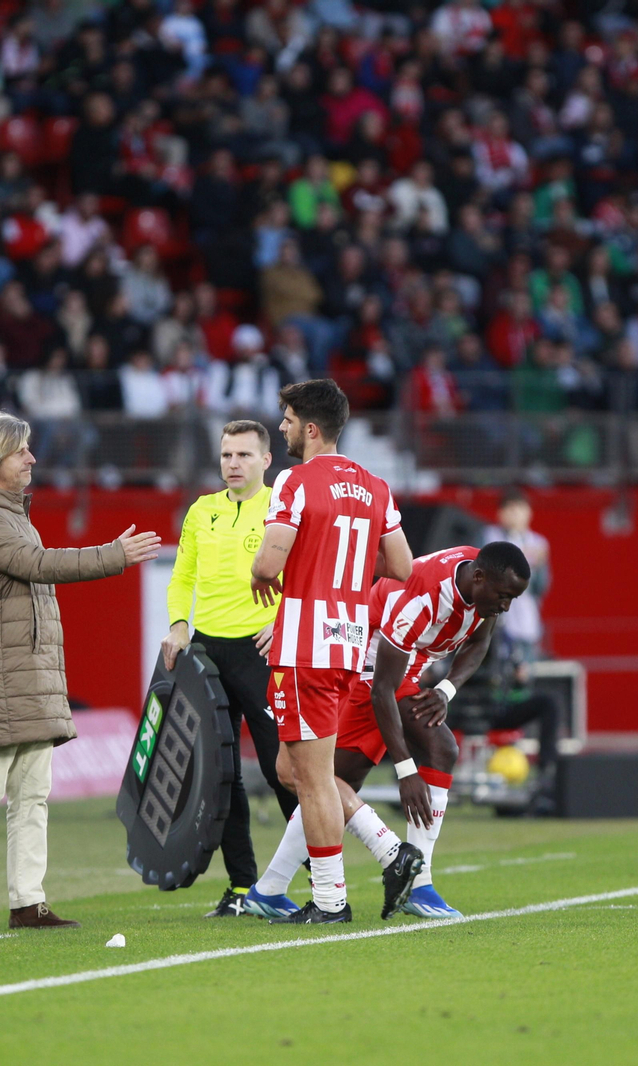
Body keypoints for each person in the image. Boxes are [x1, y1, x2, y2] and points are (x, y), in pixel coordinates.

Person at [0, 412, 160, 933]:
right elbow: (39, 566)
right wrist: (114, 555)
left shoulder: (13, 514)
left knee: (31, 795)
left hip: (26, 671)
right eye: (22, 451)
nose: (32, 459)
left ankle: (28, 902)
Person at [244, 542, 530, 922]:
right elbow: (383, 689)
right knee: (321, 778)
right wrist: (406, 771)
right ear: (479, 579)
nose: (506, 605)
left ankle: (270, 889)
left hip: (398, 668)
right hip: (364, 665)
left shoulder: (487, 582)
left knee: (333, 780)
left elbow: (480, 640)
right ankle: (409, 873)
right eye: (504, 596)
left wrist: (445, 690)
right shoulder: (420, 601)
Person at [250, 379, 412, 924]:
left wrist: (262, 571)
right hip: (347, 644)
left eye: (289, 420)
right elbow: (403, 568)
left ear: (311, 428)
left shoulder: (294, 481)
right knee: (292, 768)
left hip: (303, 647)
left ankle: (330, 901)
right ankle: (379, 855)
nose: (283, 428)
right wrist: (345, 577)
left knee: (311, 780)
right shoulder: (377, 487)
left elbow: (269, 565)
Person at [160, 419, 298, 918]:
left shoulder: (282, 508)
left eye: (243, 455)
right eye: (225, 456)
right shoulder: (202, 511)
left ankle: (317, 880)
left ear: (266, 460)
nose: (233, 464)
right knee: (221, 775)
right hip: (207, 654)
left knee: (281, 768)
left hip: (261, 654)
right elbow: (182, 577)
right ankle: (242, 886)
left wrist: (284, 623)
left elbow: (304, 578)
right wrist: (179, 624)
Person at [480, 490, 551, 659]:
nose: (515, 514)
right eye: (510, 509)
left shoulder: (539, 543)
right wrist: (524, 557)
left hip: (528, 620)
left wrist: (539, 566)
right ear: (500, 513)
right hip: (499, 622)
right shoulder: (490, 536)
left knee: (526, 674)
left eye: (520, 509)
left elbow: (541, 586)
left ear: (529, 513)